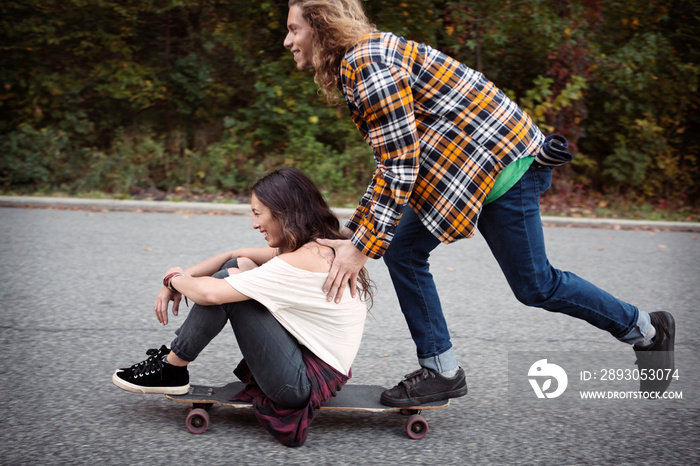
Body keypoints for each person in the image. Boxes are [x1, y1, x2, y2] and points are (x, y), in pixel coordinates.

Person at [283, 0, 675, 407]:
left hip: (502, 167)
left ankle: (647, 330)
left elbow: (400, 163)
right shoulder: (361, 60)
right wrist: (355, 229)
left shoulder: (368, 64)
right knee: (402, 248)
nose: (287, 40)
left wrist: (360, 248)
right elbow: (394, 158)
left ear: (321, 26)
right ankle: (441, 370)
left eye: (294, 29)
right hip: (469, 171)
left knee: (535, 285)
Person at [112, 167, 372, 447]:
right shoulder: (313, 246)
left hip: (301, 384)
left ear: (284, 212)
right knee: (236, 268)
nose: (254, 223)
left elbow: (210, 294)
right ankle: (173, 365)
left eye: (258, 213)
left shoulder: (301, 260)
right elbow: (234, 255)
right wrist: (179, 279)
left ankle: (172, 368)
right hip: (313, 365)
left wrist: (173, 278)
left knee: (226, 284)